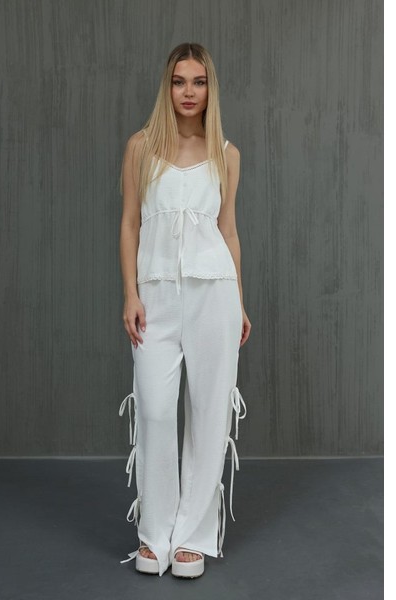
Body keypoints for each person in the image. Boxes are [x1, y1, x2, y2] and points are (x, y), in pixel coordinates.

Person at [118, 42, 251, 579]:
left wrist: (239, 300)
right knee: (154, 407)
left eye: (198, 81)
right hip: (155, 297)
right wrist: (131, 294)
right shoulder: (141, 147)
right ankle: (155, 532)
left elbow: (229, 231)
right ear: (167, 87)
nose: (188, 92)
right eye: (179, 81)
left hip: (213, 295)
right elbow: (130, 223)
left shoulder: (226, 154)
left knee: (210, 410)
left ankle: (193, 536)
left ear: (209, 88)